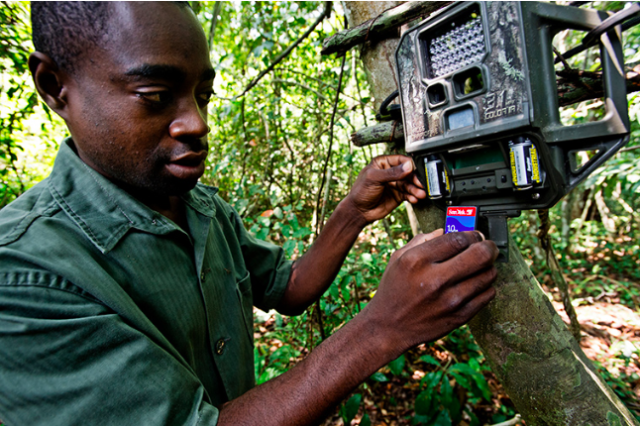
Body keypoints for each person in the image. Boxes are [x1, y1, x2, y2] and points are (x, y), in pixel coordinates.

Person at [0, 2, 498, 425]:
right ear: (53, 85)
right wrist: (381, 329)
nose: (197, 123)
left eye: (203, 95)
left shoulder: (201, 209)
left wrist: (352, 211)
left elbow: (290, 288)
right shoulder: (24, 276)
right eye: (155, 97)